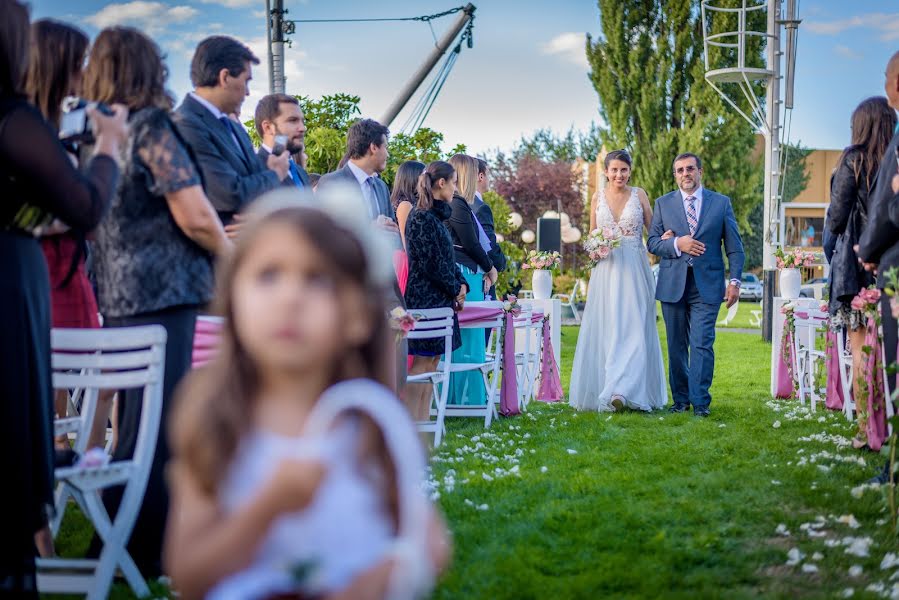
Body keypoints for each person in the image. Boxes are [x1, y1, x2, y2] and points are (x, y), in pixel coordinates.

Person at [163, 194, 450, 599]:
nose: (290, 297)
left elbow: (431, 542)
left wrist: (387, 575)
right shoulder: (214, 415)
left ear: (355, 316)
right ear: (233, 299)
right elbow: (189, 574)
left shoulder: (370, 422)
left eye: (317, 279)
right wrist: (268, 507)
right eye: (268, 276)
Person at [82, 26, 232, 577]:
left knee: (135, 427)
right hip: (166, 292)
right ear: (149, 70)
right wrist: (233, 259)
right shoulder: (150, 126)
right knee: (161, 426)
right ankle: (142, 550)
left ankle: (119, 547)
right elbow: (193, 213)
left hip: (118, 292)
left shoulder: (97, 134)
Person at [0, 0, 126, 593]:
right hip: (15, 277)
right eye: (77, 64)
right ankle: (25, 548)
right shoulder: (17, 119)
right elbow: (84, 206)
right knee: (24, 408)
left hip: (32, 271)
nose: (85, 78)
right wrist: (107, 147)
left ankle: (34, 535)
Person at [26, 18, 116, 453]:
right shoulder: (23, 127)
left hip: (69, 264)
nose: (83, 73)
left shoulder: (63, 124)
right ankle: (54, 446)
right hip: (38, 265)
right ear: (55, 64)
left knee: (85, 370)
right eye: (77, 62)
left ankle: (70, 447)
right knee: (45, 370)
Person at [647, 152, 745, 417]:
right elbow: (653, 243)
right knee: (677, 345)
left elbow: (735, 249)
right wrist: (677, 243)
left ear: (700, 172)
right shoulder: (663, 204)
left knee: (702, 343)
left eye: (690, 169)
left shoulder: (721, 203)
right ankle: (680, 401)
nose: (685, 174)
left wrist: (734, 281)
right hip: (672, 284)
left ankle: (700, 402)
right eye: (679, 170)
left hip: (708, 285)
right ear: (675, 175)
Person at [569, 150, 667, 412]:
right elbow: (591, 236)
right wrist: (596, 247)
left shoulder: (640, 195)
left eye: (624, 170)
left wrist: (667, 237)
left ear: (630, 171)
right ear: (606, 172)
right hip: (606, 272)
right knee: (610, 327)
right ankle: (612, 387)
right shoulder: (597, 198)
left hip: (634, 269)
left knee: (634, 326)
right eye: (614, 170)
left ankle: (625, 390)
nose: (619, 175)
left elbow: (653, 231)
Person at [828, 96, 896, 450]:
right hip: (891, 265)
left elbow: (836, 219)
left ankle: (866, 431)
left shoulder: (853, 159)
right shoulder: (894, 160)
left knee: (860, 353)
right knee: (891, 352)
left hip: (855, 269)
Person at [173, 36, 288, 226]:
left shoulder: (233, 125)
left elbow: (254, 176)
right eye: (246, 81)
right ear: (225, 77)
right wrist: (276, 173)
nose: (248, 92)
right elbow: (228, 195)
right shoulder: (186, 124)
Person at [858, 50, 899, 483]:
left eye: (886, 75)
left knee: (897, 365)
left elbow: (889, 207)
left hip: (895, 263)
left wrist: (868, 248)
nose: (884, 82)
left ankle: (895, 467)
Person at [404, 161, 468, 420]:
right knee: (421, 364)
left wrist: (461, 283)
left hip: (440, 301)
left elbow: (448, 259)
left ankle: (424, 421)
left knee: (433, 363)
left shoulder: (437, 218)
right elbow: (432, 264)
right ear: (441, 183)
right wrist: (455, 289)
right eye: (453, 181)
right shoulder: (421, 217)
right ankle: (410, 424)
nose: (455, 187)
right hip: (424, 301)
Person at [445, 154, 497, 406]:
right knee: (468, 339)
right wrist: (490, 268)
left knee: (468, 339)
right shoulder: (457, 204)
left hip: (469, 272)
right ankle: (467, 402)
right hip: (466, 273)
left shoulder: (458, 204)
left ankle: (463, 399)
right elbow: (471, 243)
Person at [317, 118, 396, 231]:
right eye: (386, 147)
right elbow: (323, 230)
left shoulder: (382, 187)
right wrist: (368, 229)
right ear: (373, 147)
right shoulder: (332, 182)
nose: (387, 155)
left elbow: (392, 230)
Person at [254, 93, 310, 188]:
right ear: (268, 128)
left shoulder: (301, 172)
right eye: (292, 120)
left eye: (302, 121)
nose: (302, 128)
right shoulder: (251, 170)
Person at [473, 158, 507, 300]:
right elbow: (488, 245)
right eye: (488, 174)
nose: (489, 179)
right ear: (481, 176)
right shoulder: (480, 207)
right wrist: (501, 264)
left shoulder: (455, 204)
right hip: (481, 276)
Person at [390, 160, 425, 295]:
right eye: (423, 176)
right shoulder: (405, 204)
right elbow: (407, 240)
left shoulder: (400, 201)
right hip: (403, 263)